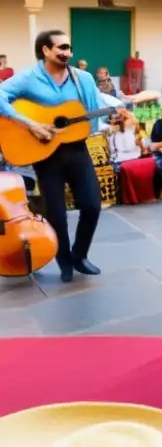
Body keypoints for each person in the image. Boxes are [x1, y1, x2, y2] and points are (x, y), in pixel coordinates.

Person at [0, 30, 117, 283]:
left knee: (92, 205)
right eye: (61, 48)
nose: (67, 53)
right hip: (45, 154)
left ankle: (80, 255)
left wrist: (119, 110)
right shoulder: (29, 78)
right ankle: (63, 260)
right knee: (56, 213)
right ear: (45, 50)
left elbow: (97, 103)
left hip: (76, 149)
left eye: (69, 48)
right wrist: (31, 124)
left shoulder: (82, 78)